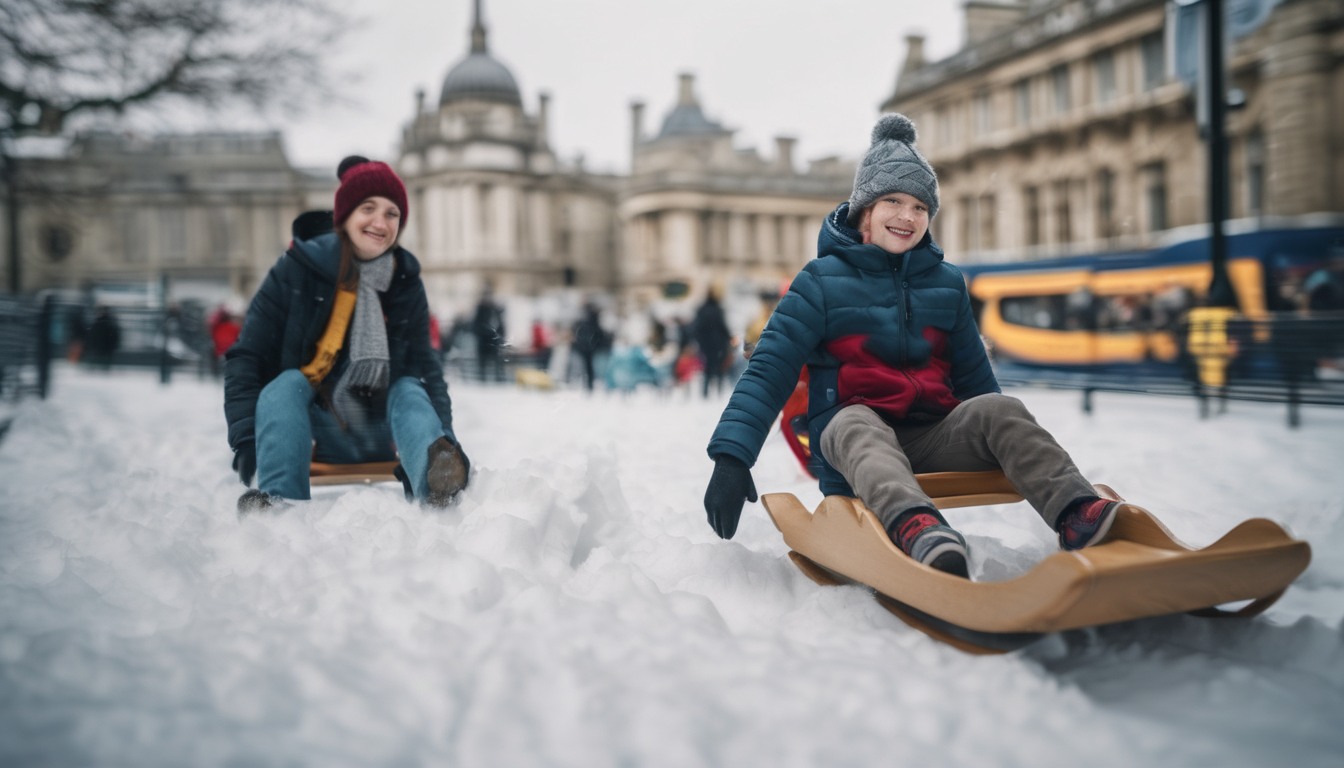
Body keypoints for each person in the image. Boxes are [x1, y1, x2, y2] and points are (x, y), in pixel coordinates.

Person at [702, 114, 1119, 578]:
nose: (907, 216)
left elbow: (976, 381)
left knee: (1002, 409)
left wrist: (998, 438)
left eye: (920, 206)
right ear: (864, 210)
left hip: (930, 435)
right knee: (856, 421)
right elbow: (769, 370)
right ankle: (915, 526)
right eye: (893, 201)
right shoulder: (819, 282)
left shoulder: (947, 283)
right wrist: (731, 458)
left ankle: (1075, 511)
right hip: (851, 441)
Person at [224, 156, 469, 512]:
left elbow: (426, 366)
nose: (380, 222)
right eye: (368, 208)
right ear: (344, 218)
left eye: (392, 213)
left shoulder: (403, 280)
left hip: (387, 426)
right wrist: (246, 438)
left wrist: (445, 436)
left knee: (410, 387)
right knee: (286, 384)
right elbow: (247, 356)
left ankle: (439, 485)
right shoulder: (296, 270)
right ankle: (277, 505)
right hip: (311, 425)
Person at [693, 289, 731, 398]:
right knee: (719, 368)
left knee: (707, 368)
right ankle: (719, 392)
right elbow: (723, 326)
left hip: (706, 344)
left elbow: (697, 328)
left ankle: (705, 393)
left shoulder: (702, 310)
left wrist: (699, 342)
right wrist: (727, 339)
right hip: (718, 343)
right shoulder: (718, 309)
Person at [571, 302, 609, 391]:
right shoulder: (593, 319)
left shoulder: (582, 319)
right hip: (590, 347)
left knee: (584, 366)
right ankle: (589, 383)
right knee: (589, 367)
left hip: (585, 347)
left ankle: (587, 383)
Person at [472, 287, 507, 382]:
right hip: (483, 339)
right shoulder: (481, 309)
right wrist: (481, 332)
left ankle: (498, 377)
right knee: (483, 360)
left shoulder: (495, 309)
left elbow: (500, 323)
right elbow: (476, 324)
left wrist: (500, 336)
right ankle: (482, 378)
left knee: (496, 359)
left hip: (493, 339)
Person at [82, 304, 120, 370]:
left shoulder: (95, 324)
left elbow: (89, 338)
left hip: (96, 352)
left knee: (93, 370)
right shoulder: (111, 324)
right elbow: (115, 339)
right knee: (104, 370)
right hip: (106, 353)